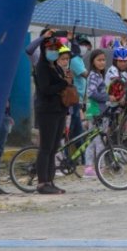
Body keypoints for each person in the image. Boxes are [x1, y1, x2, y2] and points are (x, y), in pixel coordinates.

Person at [33, 38, 71, 195]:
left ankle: (50, 180)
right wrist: (63, 83)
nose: (53, 52)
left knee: (54, 147)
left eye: (56, 49)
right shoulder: (41, 67)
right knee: (46, 148)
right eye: (50, 49)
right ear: (44, 50)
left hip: (59, 110)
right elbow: (45, 89)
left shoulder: (55, 66)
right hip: (47, 111)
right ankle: (43, 182)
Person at [83, 49, 109, 179]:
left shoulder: (98, 75)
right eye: (99, 60)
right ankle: (98, 166)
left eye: (103, 60)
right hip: (96, 111)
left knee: (93, 140)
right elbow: (91, 93)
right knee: (98, 140)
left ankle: (90, 167)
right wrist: (107, 97)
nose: (102, 62)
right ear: (93, 61)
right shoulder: (93, 75)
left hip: (96, 110)